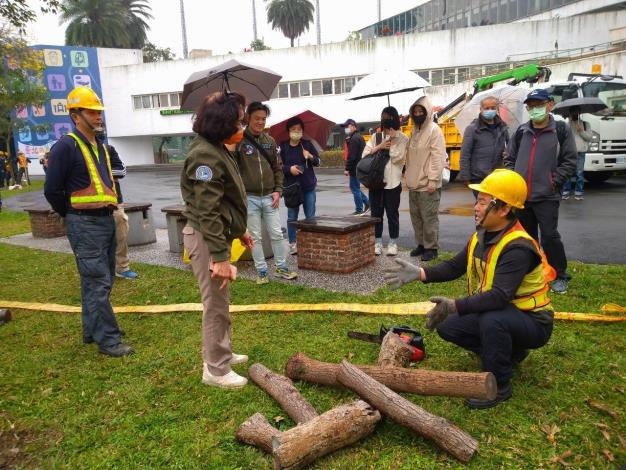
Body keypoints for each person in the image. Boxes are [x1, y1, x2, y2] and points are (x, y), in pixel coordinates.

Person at [384, 169, 555, 409]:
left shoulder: (518, 248)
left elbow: (498, 297)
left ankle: (499, 386)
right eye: (478, 200)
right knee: (447, 325)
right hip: (506, 314)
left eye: (483, 202)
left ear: (504, 209)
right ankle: (509, 353)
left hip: (534, 322)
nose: (476, 207)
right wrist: (421, 273)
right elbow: (456, 266)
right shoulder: (482, 235)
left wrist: (455, 305)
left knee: (492, 319)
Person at [44, 86, 133, 357]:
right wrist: (70, 214)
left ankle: (91, 329)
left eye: (98, 112)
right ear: (75, 115)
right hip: (84, 223)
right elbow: (52, 190)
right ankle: (109, 339)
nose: (97, 117)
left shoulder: (101, 147)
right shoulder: (65, 147)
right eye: (91, 112)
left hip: (105, 220)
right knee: (98, 282)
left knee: (96, 280)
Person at [181, 91, 254, 389]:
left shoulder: (217, 148)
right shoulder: (204, 156)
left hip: (216, 235)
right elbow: (208, 210)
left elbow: (226, 200)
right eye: (238, 122)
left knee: (221, 300)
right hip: (207, 237)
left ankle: (221, 351)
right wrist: (220, 258)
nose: (242, 128)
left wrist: (240, 230)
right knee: (214, 303)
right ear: (221, 124)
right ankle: (215, 368)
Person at [504, 88, 576, 294]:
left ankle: (560, 274)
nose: (535, 109)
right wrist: (513, 179)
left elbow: (570, 161)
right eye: (531, 106)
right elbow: (510, 159)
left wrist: (554, 182)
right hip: (522, 197)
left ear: (550, 105)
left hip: (547, 196)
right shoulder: (521, 131)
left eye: (539, 105)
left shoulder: (560, 130)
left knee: (550, 237)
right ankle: (531, 272)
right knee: (526, 238)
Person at [235, 102, 297, 284]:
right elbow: (233, 171)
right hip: (250, 198)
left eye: (263, 119)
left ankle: (281, 268)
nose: (260, 122)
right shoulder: (238, 141)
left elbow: (278, 168)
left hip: (270, 196)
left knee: (277, 234)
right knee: (255, 237)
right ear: (248, 118)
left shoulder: (269, 142)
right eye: (257, 119)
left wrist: (278, 191)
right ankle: (261, 271)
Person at [405, 95, 447, 261]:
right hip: (414, 183)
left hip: (428, 183)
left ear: (427, 111)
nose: (417, 113)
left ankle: (431, 248)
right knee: (416, 217)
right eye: (415, 111)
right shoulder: (414, 131)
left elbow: (438, 156)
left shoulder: (434, 130)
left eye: (420, 110)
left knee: (429, 217)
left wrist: (433, 180)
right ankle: (421, 244)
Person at [362, 106, 408, 256]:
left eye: (388, 117)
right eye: (383, 117)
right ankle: (378, 242)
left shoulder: (403, 138)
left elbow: (400, 158)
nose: (386, 120)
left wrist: (392, 143)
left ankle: (393, 242)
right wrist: (379, 146)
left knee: (392, 214)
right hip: (376, 183)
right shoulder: (377, 137)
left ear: (395, 119)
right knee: (376, 214)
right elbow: (365, 155)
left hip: (393, 183)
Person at [279, 116, 321, 255]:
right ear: (289, 131)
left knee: (310, 216)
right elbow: (278, 166)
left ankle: (310, 242)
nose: (296, 131)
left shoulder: (307, 144)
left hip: (308, 186)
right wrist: (288, 169)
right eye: (293, 129)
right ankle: (293, 243)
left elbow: (318, 162)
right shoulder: (283, 147)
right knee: (292, 217)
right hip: (291, 188)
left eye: (299, 129)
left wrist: (309, 156)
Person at [459, 95, 509, 193]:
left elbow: (509, 147)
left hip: (497, 176)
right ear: (481, 109)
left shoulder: (503, 128)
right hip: (479, 177)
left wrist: (506, 152)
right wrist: (465, 176)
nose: (490, 110)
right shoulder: (472, 129)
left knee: (495, 206)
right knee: (483, 205)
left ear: (497, 109)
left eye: (493, 108)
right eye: (487, 108)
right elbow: (465, 154)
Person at [108, 144, 139, 280]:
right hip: (88, 206)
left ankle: (122, 267)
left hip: (114, 201)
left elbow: (121, 171)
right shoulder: (74, 147)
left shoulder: (108, 149)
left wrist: (99, 171)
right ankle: (101, 269)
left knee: (120, 235)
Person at [561, 107, 592, 201]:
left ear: (579, 112)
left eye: (576, 112)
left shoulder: (586, 124)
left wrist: (581, 131)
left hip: (581, 152)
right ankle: (565, 192)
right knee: (568, 173)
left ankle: (579, 193)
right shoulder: (566, 125)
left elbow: (589, 138)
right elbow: (563, 139)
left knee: (579, 173)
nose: (574, 114)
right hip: (569, 152)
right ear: (569, 113)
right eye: (572, 112)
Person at [342, 118, 370, 216]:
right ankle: (367, 203)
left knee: (355, 188)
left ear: (354, 127)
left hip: (355, 168)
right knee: (355, 187)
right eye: (345, 127)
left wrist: (347, 168)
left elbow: (352, 156)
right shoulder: (359, 137)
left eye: (348, 126)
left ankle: (359, 209)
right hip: (360, 166)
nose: (346, 129)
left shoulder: (354, 139)